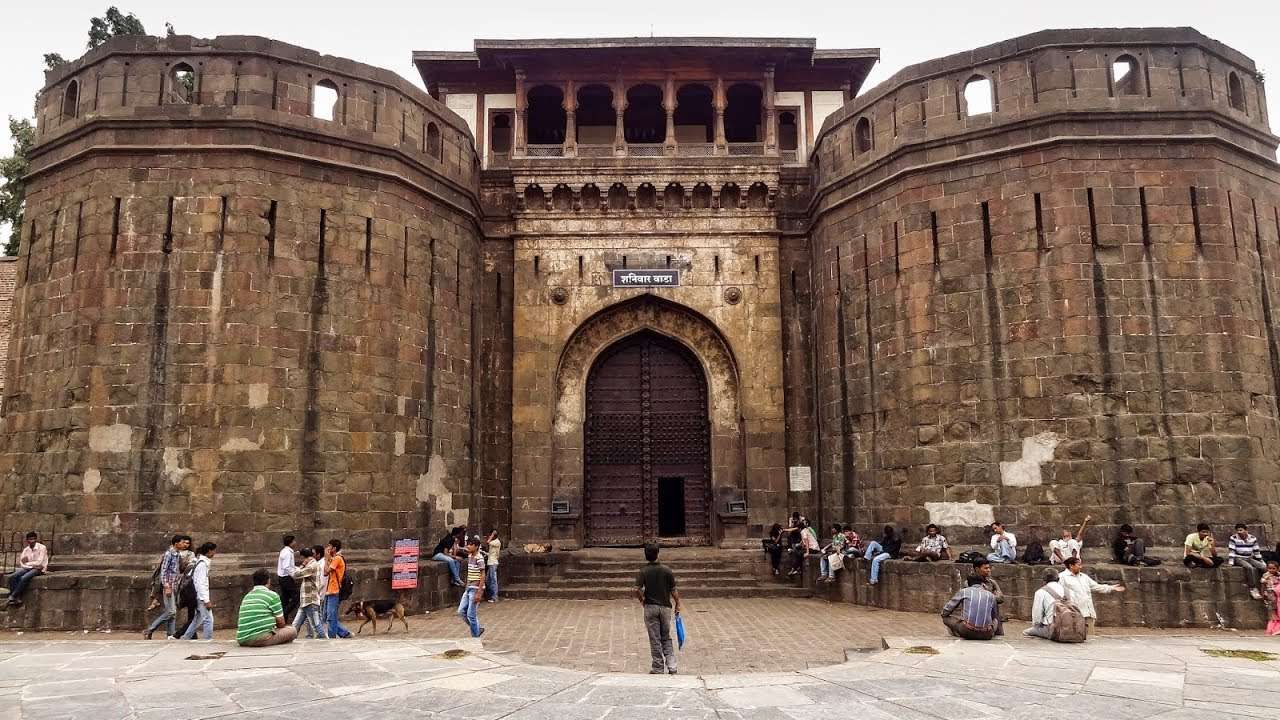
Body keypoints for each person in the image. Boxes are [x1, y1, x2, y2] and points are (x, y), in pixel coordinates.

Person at [635, 542, 682, 674]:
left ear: (646, 555)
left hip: (650, 607)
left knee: (654, 637)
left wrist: (642, 600)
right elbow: (673, 590)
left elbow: (636, 589)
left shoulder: (643, 571)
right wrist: (678, 604)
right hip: (665, 608)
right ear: (658, 553)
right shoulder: (667, 570)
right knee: (666, 636)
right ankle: (672, 665)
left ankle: (657, 666)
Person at [143, 534, 189, 639]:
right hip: (169, 586)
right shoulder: (169, 554)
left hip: (174, 586)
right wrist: (167, 586)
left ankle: (170, 634)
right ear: (176, 543)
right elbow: (164, 571)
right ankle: (150, 629)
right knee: (171, 612)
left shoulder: (177, 554)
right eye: (182, 542)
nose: (183, 544)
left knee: (172, 612)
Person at [236, 569, 298, 647]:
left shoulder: (247, 596)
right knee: (292, 631)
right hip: (260, 638)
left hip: (242, 638)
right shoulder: (272, 595)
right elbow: (281, 623)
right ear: (268, 581)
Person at [1059, 557, 1124, 630]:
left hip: (1088, 611)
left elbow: (1096, 586)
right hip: (1074, 612)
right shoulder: (1062, 577)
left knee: (1090, 637)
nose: (1081, 567)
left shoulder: (1083, 577)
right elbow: (1059, 593)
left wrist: (1111, 588)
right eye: (1078, 565)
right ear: (1071, 566)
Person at [940, 575, 999, 640]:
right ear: (983, 584)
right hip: (987, 634)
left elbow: (947, 610)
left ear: (968, 583)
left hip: (967, 630)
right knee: (996, 620)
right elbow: (994, 615)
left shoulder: (964, 591)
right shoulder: (991, 595)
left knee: (946, 618)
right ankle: (988, 633)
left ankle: (959, 633)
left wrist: (944, 614)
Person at [179, 542, 217, 640]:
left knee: (198, 619)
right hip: (201, 596)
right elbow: (200, 583)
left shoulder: (200, 562)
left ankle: (185, 637)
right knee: (208, 619)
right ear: (209, 551)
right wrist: (206, 599)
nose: (214, 553)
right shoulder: (202, 565)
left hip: (198, 595)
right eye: (213, 550)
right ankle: (208, 640)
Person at [4, 532, 48, 608]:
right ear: (27, 540)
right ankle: (16, 598)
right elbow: (22, 562)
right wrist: (30, 564)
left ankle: (12, 596)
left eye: (34, 539)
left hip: (40, 569)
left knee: (24, 578)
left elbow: (40, 562)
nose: (32, 541)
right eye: (30, 539)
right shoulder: (26, 550)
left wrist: (28, 563)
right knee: (13, 577)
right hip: (29, 568)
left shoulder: (42, 548)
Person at [290, 547, 327, 639]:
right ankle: (290, 639)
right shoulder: (312, 565)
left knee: (316, 626)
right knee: (295, 625)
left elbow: (295, 574)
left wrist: (302, 565)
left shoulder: (312, 566)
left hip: (310, 600)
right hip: (306, 600)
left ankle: (325, 643)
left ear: (303, 557)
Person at [1024, 569, 1068, 639]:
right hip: (1067, 626)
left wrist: (1036, 625)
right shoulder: (1065, 590)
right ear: (1058, 579)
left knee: (1026, 632)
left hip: (1052, 628)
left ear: (1044, 580)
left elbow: (1037, 615)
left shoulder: (1040, 592)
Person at [456, 535, 486, 638]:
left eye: (471, 545)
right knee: (461, 611)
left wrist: (479, 592)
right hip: (469, 587)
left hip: (475, 588)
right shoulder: (470, 556)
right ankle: (477, 629)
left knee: (471, 614)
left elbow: (482, 575)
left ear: (476, 547)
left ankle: (475, 636)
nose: (468, 546)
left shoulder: (479, 558)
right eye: (468, 544)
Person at [322, 539, 352, 639]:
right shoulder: (334, 558)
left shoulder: (337, 558)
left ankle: (332, 637)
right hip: (329, 590)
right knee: (327, 616)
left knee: (330, 617)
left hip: (334, 590)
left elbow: (326, 572)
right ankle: (344, 633)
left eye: (329, 546)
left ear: (334, 548)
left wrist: (326, 559)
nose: (327, 548)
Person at [1228, 523, 1267, 599]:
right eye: (1238, 530)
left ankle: (1266, 584)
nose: (1239, 532)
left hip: (1249, 557)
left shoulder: (1253, 538)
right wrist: (1231, 562)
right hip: (1238, 558)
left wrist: (1261, 561)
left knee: (1263, 566)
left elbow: (1256, 551)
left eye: (1241, 530)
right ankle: (1253, 588)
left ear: (1246, 530)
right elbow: (1231, 550)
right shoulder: (1233, 538)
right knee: (1249, 568)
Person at [973, 559, 1005, 635]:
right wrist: (992, 595)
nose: (989, 570)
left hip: (992, 615)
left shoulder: (992, 582)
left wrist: (987, 594)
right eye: (985, 568)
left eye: (989, 568)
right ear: (977, 569)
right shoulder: (970, 582)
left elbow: (1001, 598)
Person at [276, 535, 300, 622]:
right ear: (290, 543)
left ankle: (283, 620)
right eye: (294, 541)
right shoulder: (287, 553)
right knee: (297, 596)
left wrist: (298, 569)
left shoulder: (286, 551)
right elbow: (287, 567)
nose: (295, 543)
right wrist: (294, 575)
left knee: (285, 599)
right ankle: (284, 614)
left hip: (283, 578)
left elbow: (290, 566)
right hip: (286, 578)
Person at [485, 529, 502, 602]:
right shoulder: (494, 542)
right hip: (491, 561)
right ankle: (491, 595)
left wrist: (492, 535)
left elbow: (488, 542)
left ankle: (494, 597)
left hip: (493, 563)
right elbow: (492, 553)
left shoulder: (496, 542)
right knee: (488, 580)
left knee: (493, 580)